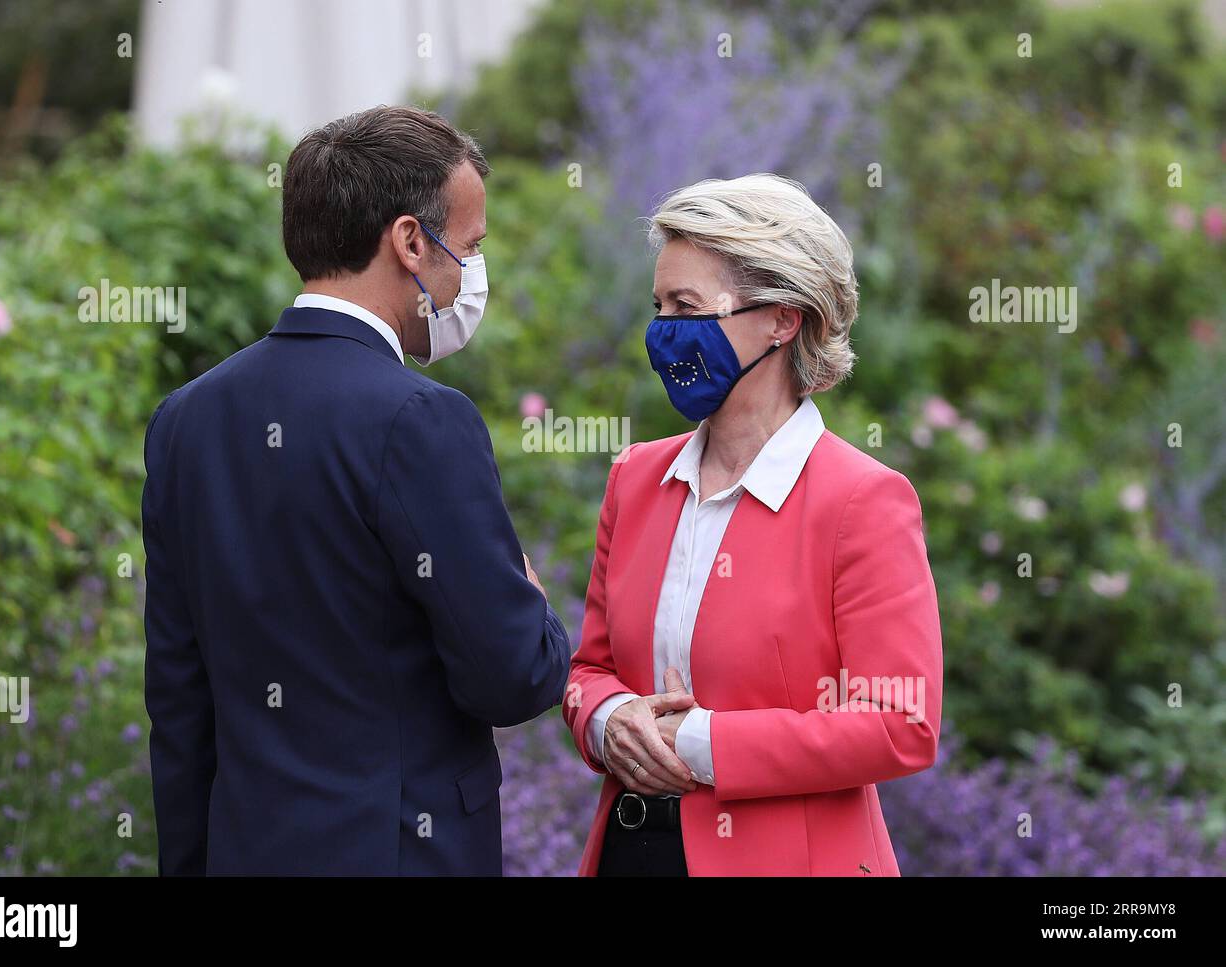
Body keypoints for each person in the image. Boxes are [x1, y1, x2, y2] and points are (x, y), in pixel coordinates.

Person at [143, 106, 570, 876]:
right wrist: (530, 595)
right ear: (411, 241)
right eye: (468, 249)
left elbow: (180, 701)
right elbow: (513, 675)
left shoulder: (186, 419)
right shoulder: (421, 420)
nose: (471, 275)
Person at [563, 174, 943, 876]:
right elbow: (590, 667)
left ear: (783, 318)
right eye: (658, 306)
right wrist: (608, 719)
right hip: (631, 851)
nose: (663, 331)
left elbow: (900, 722)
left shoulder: (864, 501)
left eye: (687, 306)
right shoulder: (636, 479)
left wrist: (704, 742)